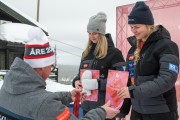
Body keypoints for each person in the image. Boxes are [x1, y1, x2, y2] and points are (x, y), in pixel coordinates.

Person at [0, 27, 120, 120]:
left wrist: (68, 96)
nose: (52, 69)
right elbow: (44, 103)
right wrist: (102, 112)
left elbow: (37, 99)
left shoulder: (5, 90)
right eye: (51, 65)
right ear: (42, 67)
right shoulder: (44, 104)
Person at [116, 1, 179, 120]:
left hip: (161, 113)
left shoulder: (167, 46)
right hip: (137, 112)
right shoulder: (133, 50)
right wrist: (123, 110)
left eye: (137, 27)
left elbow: (167, 79)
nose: (133, 30)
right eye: (131, 27)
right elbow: (130, 82)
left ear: (148, 25)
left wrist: (134, 92)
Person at [72, 12, 125, 120]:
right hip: (86, 106)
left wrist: (98, 84)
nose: (92, 36)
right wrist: (76, 82)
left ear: (101, 33)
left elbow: (120, 81)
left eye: (95, 33)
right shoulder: (86, 53)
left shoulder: (114, 53)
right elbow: (79, 75)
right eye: (89, 33)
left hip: (105, 109)